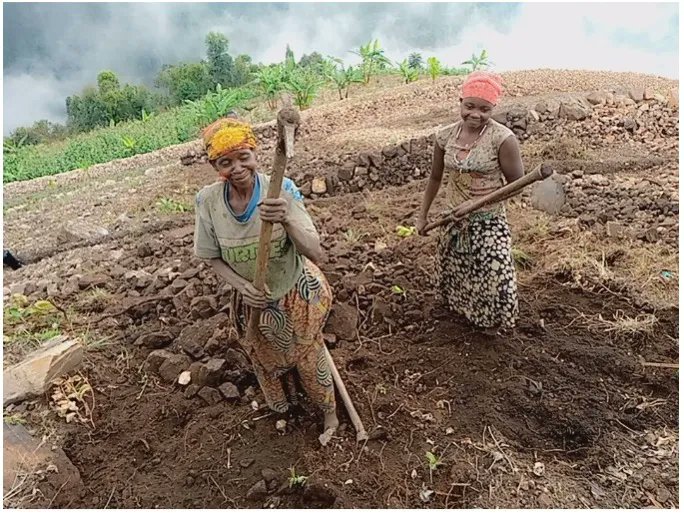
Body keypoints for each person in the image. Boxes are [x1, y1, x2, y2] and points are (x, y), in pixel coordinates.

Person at [193, 117, 338, 435]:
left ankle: (330, 416)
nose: (237, 167)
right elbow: (211, 257)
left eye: (243, 156)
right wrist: (243, 287)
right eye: (225, 162)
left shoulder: (281, 190)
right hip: (252, 302)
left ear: (255, 154)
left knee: (308, 359)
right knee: (265, 361)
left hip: (294, 292)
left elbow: (315, 251)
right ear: (216, 166)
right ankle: (284, 409)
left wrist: (286, 219)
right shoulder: (208, 202)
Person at [416, 71, 524, 332]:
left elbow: (517, 184)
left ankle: (492, 326)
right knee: (458, 273)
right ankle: (462, 319)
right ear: (460, 102)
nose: (476, 114)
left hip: (488, 221)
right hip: (452, 220)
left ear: (493, 108)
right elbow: (434, 178)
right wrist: (423, 215)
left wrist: (478, 202)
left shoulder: (503, 139)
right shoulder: (444, 137)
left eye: (485, 109)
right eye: (470, 106)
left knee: (496, 278)